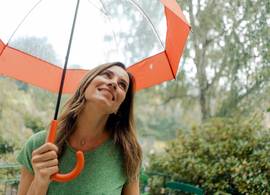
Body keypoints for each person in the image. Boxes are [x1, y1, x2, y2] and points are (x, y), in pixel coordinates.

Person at [17, 62, 143, 195]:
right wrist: (40, 182)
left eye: (122, 85)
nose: (113, 83)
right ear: (86, 85)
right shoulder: (39, 145)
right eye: (107, 75)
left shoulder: (129, 154)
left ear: (120, 106)